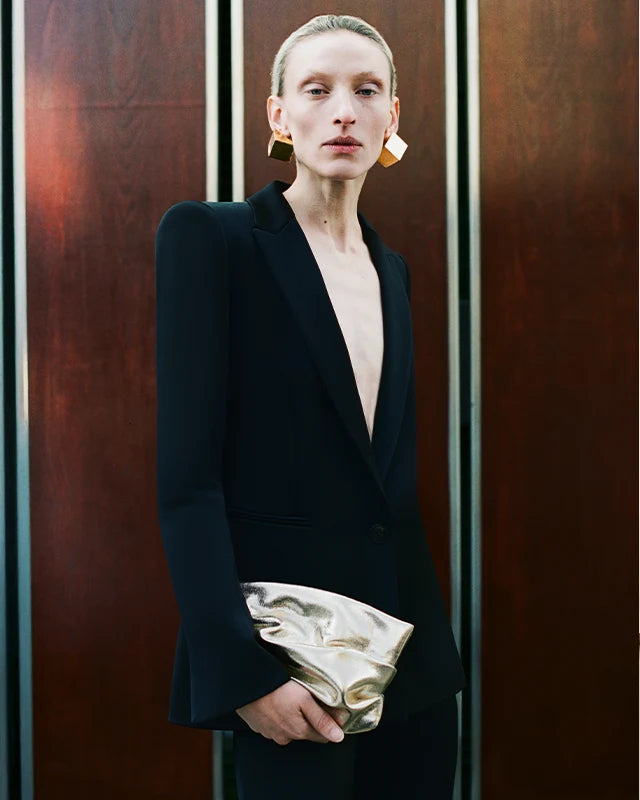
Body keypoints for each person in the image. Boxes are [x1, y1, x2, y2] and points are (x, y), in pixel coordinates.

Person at [156, 14, 464, 799]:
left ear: (392, 117)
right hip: (290, 668)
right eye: (316, 90)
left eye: (366, 91)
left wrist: (431, 663)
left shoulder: (389, 267)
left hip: (414, 665)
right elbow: (188, 484)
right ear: (278, 114)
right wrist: (242, 674)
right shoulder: (213, 239)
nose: (343, 111)